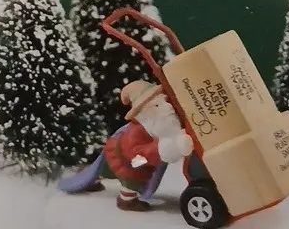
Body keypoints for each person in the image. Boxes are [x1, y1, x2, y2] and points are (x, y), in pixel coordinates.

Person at [58, 80, 192, 212]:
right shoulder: (136, 132)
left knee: (109, 171)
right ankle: (126, 200)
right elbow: (135, 154)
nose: (168, 107)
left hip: (137, 159)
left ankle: (90, 176)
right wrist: (160, 149)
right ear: (143, 112)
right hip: (127, 161)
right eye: (157, 105)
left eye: (165, 101)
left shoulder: (153, 127)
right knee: (132, 178)